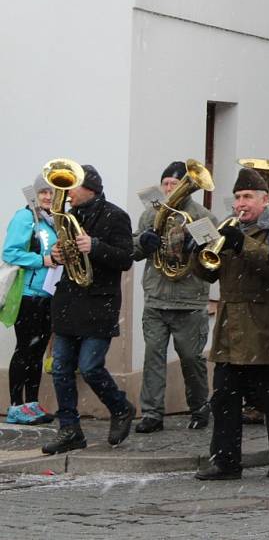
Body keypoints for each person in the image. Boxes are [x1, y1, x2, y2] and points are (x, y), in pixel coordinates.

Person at [193, 167, 269, 481]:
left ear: (264, 199)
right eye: (237, 197)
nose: (241, 203)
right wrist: (199, 252)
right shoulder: (228, 228)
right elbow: (209, 274)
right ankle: (225, 461)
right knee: (224, 398)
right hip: (229, 330)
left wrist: (242, 244)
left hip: (266, 328)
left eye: (248, 196)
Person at [43, 165, 135, 454]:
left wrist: (94, 246)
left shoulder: (116, 215)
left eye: (71, 187)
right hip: (68, 302)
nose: (66, 193)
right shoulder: (68, 217)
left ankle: (120, 407)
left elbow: (126, 258)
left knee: (91, 367)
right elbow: (62, 255)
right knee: (60, 369)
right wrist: (55, 255)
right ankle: (69, 429)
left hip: (99, 302)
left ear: (90, 188)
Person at [133, 161, 216, 433]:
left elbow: (213, 258)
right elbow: (133, 249)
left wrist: (198, 246)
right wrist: (142, 243)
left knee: (192, 360)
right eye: (166, 183)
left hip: (189, 301)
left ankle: (200, 407)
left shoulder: (203, 216)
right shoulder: (150, 214)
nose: (169, 188)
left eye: (174, 183)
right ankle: (152, 413)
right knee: (153, 358)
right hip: (156, 299)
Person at [2, 174, 58, 424]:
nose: (47, 196)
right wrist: (41, 260)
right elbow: (10, 252)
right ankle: (15, 406)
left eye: (52, 192)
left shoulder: (53, 221)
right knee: (24, 349)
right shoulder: (25, 217)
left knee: (38, 352)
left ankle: (32, 403)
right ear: (34, 195)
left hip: (48, 294)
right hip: (27, 295)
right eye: (43, 192)